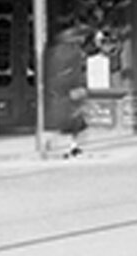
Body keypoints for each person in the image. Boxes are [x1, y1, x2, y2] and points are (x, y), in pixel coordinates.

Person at [46, 26, 90, 158]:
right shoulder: (72, 52)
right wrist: (78, 86)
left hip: (63, 89)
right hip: (69, 89)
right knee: (69, 122)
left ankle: (73, 146)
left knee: (73, 122)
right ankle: (51, 142)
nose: (82, 39)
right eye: (80, 36)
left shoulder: (58, 51)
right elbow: (71, 72)